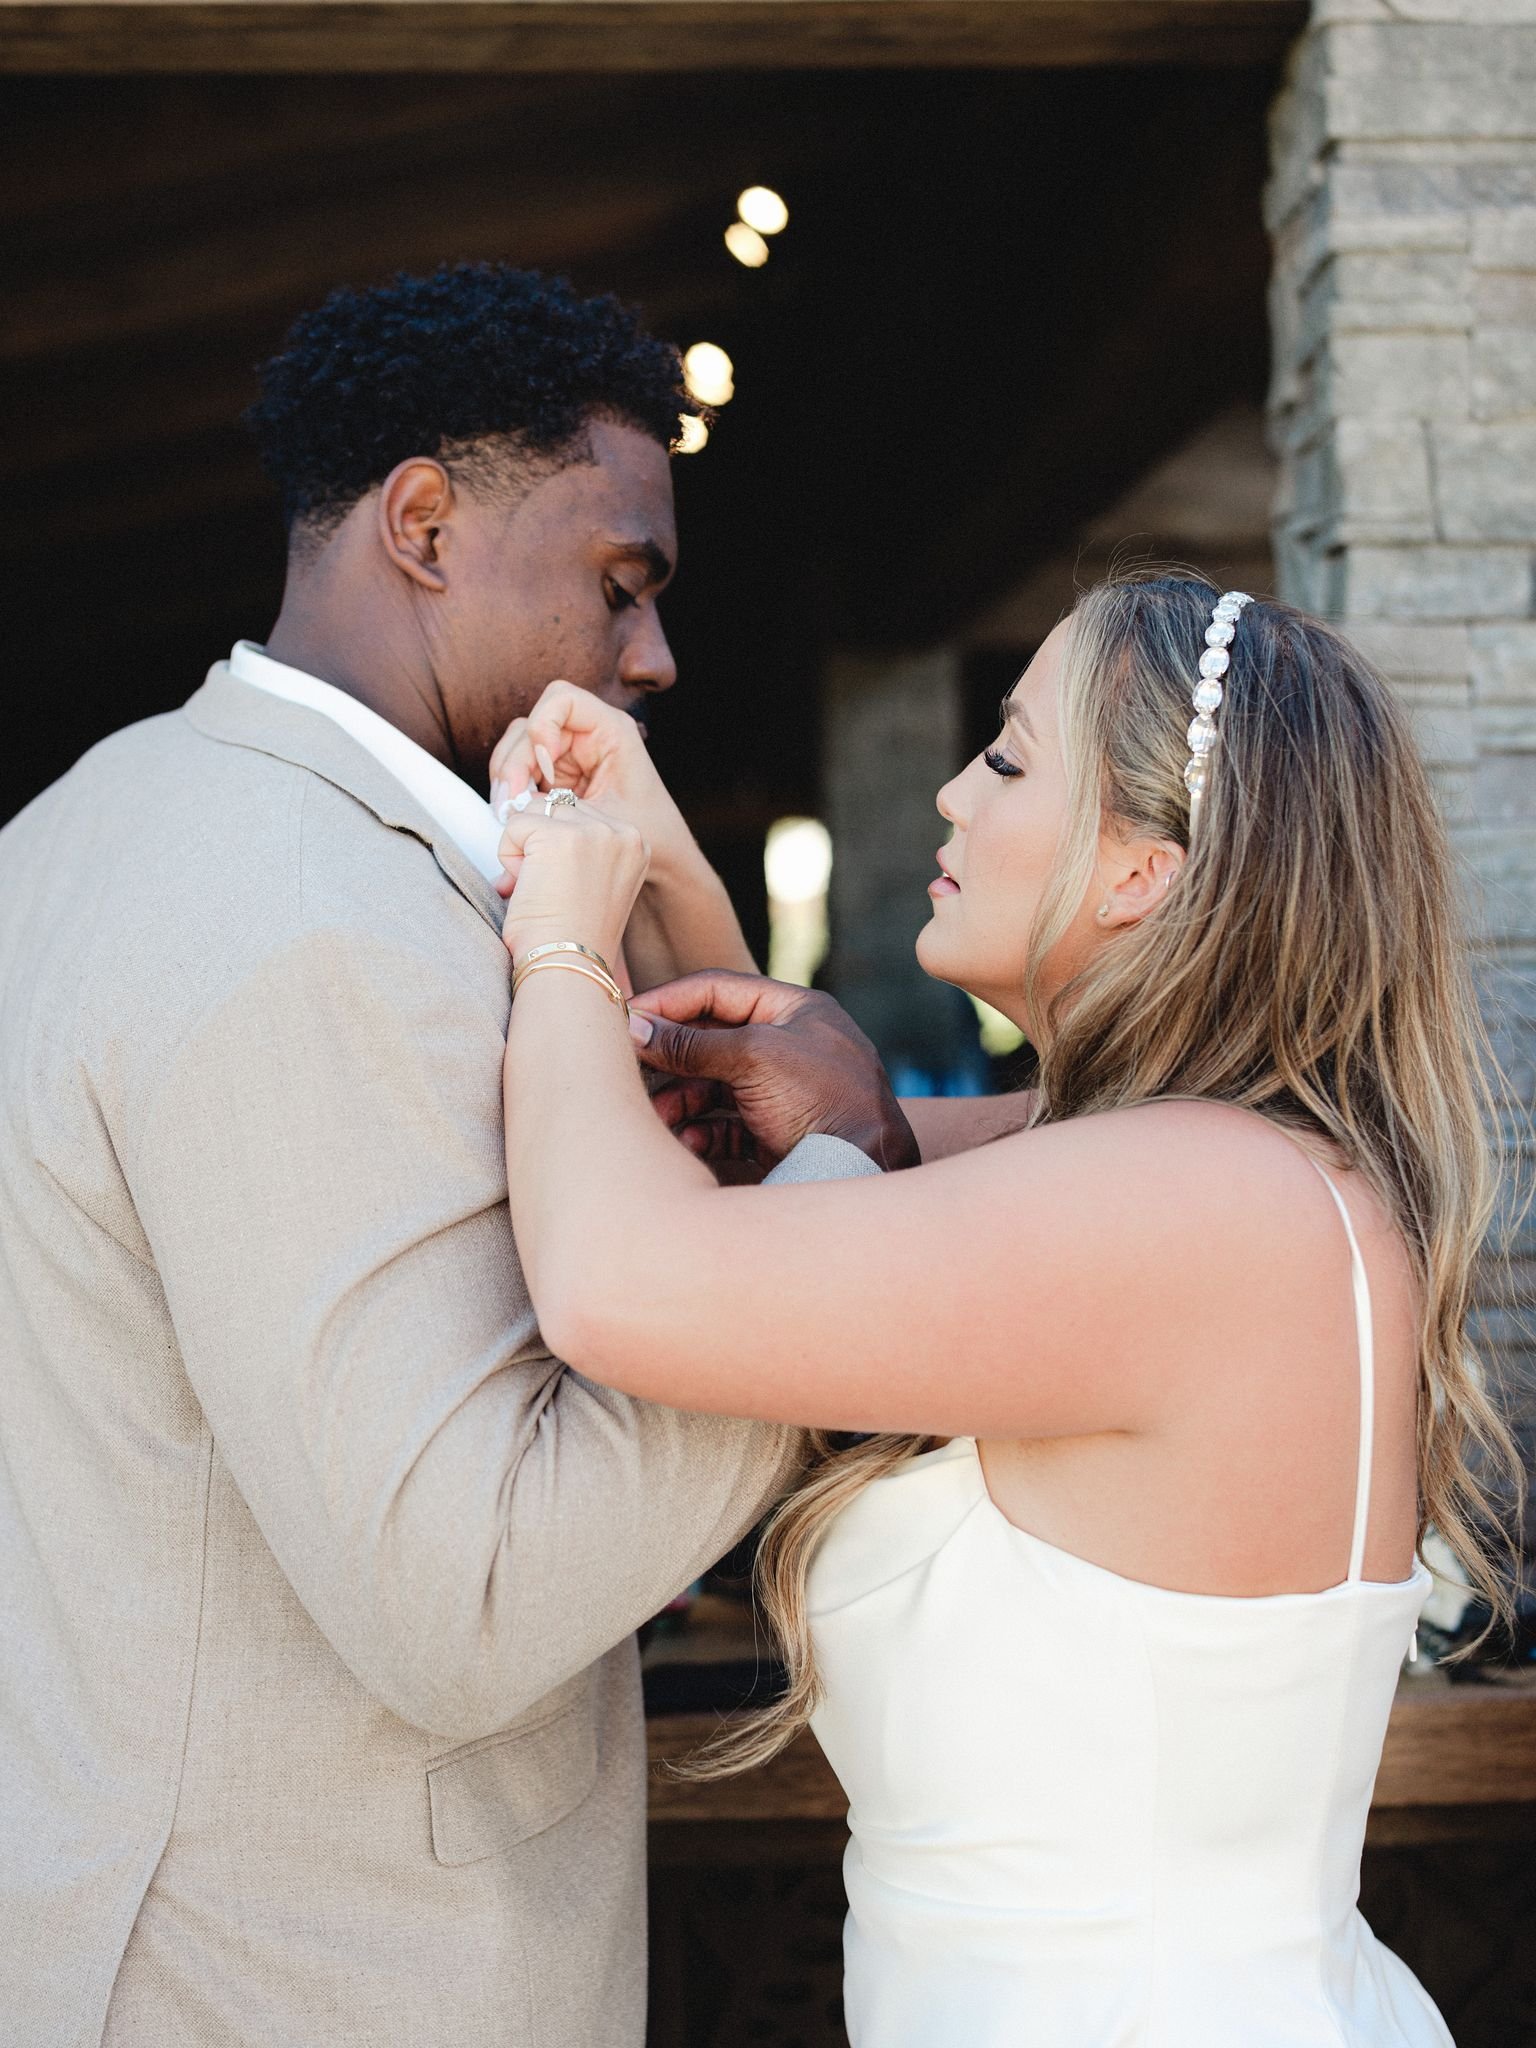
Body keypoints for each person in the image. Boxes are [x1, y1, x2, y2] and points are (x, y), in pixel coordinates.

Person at [0, 263, 880, 2048]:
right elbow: (466, 1596)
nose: (655, 656)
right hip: (312, 1972)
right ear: (422, 524)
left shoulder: (91, 822)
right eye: (620, 584)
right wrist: (841, 1216)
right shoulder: (302, 922)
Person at [485, 574, 1521, 2046]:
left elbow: (621, 1280)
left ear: (1141, 873)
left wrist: (562, 935)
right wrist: (651, 848)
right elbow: (772, 1172)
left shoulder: (1185, 1206)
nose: (958, 793)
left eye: (1015, 758)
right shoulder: (1213, 1169)